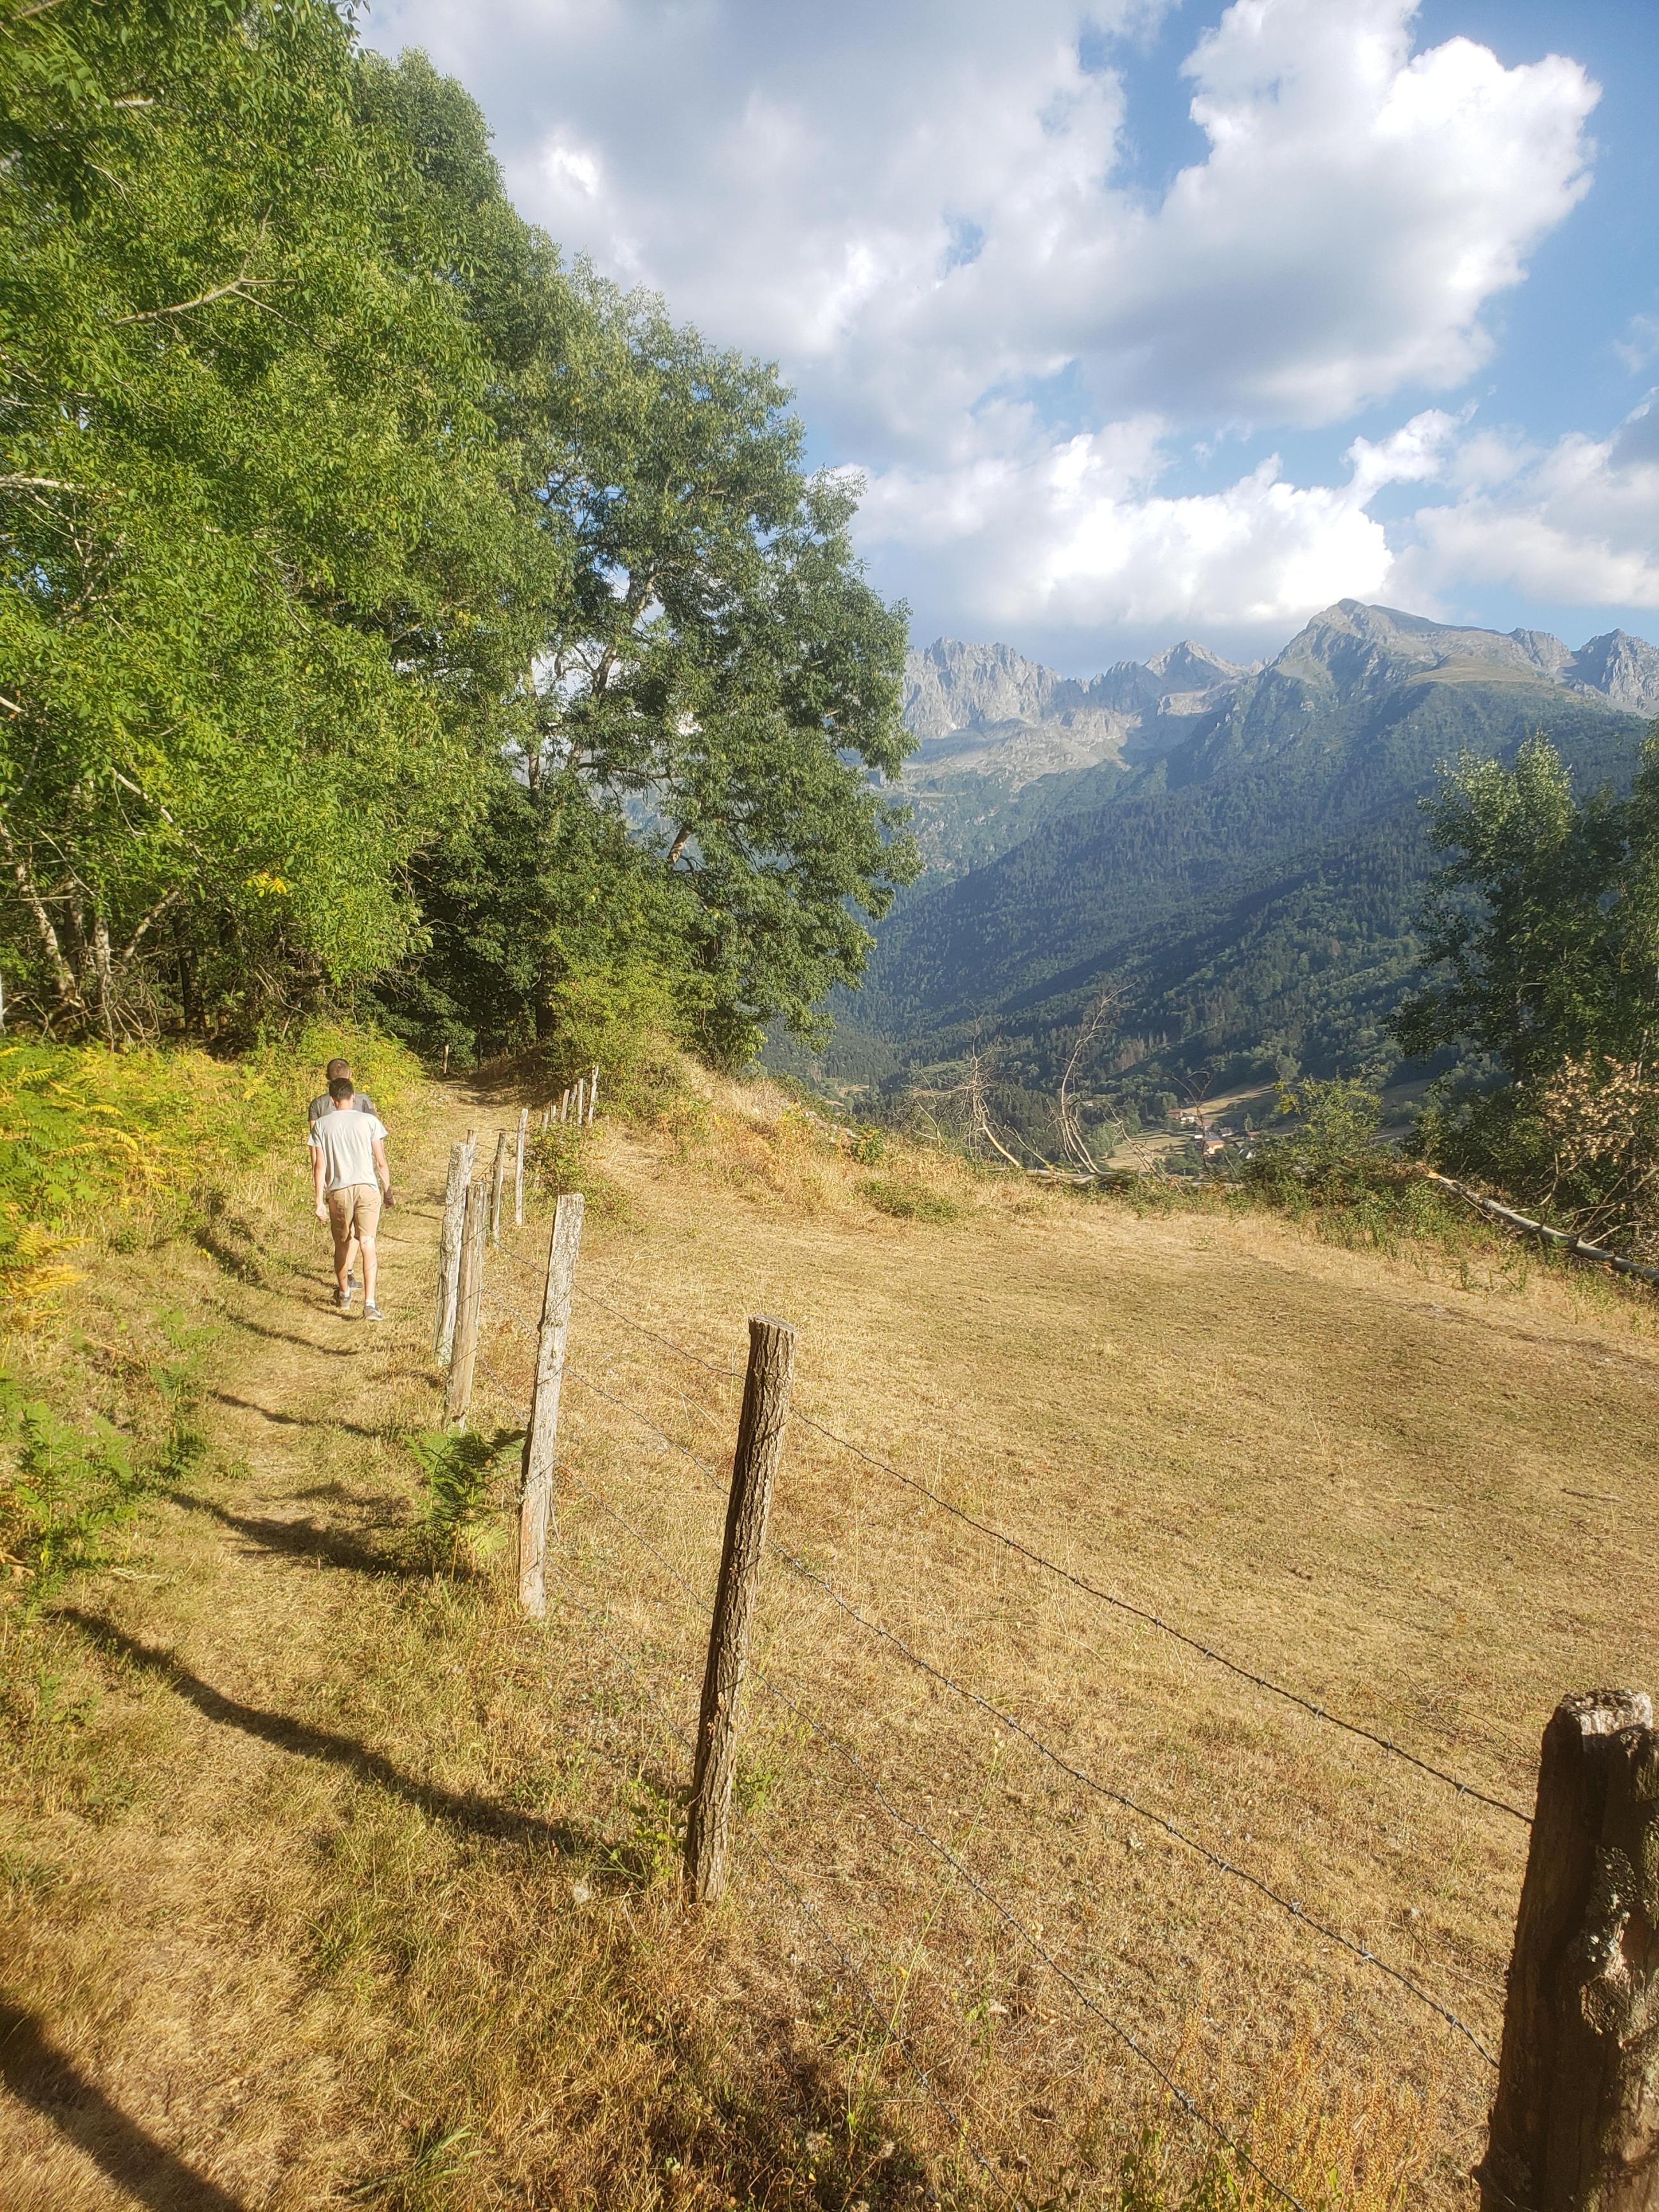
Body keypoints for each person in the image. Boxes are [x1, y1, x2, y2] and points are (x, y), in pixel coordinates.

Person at [309, 1076, 392, 1319]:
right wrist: (388, 1191)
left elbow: (319, 1166)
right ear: (353, 1097)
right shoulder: (369, 1121)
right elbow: (381, 1162)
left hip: (339, 1190)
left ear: (333, 1100)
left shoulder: (321, 1126)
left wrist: (318, 1201)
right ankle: (370, 1303)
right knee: (367, 1242)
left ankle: (344, 1293)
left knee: (342, 1244)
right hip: (367, 1188)